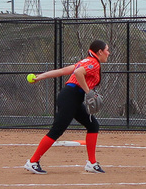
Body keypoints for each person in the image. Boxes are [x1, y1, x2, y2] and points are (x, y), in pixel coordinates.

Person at [24, 40, 110, 174]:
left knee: (93, 125)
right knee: (57, 130)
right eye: (107, 50)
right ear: (100, 52)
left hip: (73, 97)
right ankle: (33, 161)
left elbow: (62, 71)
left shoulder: (86, 61)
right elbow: (78, 74)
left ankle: (92, 163)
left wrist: (40, 77)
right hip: (70, 97)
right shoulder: (93, 63)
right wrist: (89, 92)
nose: (108, 53)